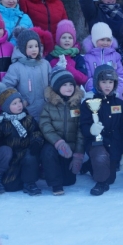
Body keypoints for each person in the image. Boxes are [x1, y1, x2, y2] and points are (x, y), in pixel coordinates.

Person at [39, 67, 85, 196]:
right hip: (55, 145)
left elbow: (81, 130)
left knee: (69, 181)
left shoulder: (78, 105)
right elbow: (45, 125)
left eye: (71, 84)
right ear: (56, 87)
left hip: (71, 148)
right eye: (64, 85)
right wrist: (58, 142)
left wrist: (78, 154)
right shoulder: (49, 106)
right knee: (47, 152)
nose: (69, 87)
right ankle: (55, 185)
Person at [0, 82, 45, 196]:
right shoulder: (1, 123)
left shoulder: (28, 119)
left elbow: (36, 132)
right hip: (12, 156)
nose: (19, 105)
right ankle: (16, 179)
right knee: (11, 187)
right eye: (14, 103)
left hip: (27, 151)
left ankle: (30, 183)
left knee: (30, 159)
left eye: (20, 102)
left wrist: (36, 142)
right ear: (6, 107)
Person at [80, 65, 123, 195]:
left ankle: (90, 165)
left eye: (111, 82)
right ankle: (100, 184)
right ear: (97, 83)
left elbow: (122, 128)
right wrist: (91, 130)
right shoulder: (89, 102)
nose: (107, 85)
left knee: (111, 179)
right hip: (96, 143)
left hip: (113, 143)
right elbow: (83, 126)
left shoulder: (119, 103)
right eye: (104, 82)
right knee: (101, 159)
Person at [2, 29, 51, 121]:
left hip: (46, 109)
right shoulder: (16, 67)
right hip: (26, 112)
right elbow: (7, 86)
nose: (34, 49)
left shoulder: (45, 64)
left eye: (36, 46)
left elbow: (52, 82)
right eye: (30, 47)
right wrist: (20, 100)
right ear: (23, 48)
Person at [82, 22, 123, 99]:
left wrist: (116, 91)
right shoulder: (88, 58)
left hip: (114, 96)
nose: (105, 43)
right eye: (102, 39)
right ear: (94, 40)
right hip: (95, 96)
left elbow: (122, 76)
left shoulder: (115, 56)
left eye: (108, 40)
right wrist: (96, 92)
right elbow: (87, 78)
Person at [45, 20, 87, 86]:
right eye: (64, 37)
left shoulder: (78, 58)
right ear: (58, 40)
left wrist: (67, 67)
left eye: (70, 38)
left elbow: (83, 79)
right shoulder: (50, 57)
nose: (67, 40)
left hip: (73, 91)